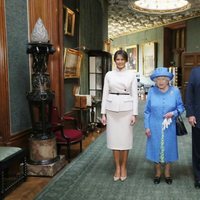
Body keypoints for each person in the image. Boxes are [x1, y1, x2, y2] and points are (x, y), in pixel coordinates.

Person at [101, 49, 138, 181]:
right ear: (115, 61)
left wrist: (134, 113)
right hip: (111, 110)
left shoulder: (132, 75)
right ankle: (117, 167)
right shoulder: (109, 75)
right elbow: (104, 94)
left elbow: (134, 95)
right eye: (117, 59)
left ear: (126, 60)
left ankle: (124, 166)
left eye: (122, 59)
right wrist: (103, 113)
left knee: (125, 140)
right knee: (114, 140)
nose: (120, 61)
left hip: (127, 110)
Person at [144, 67, 184, 184]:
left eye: (163, 79)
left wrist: (173, 113)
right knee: (156, 147)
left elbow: (181, 107)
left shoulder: (175, 91)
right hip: (154, 125)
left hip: (169, 126)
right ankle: (157, 173)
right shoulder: (151, 91)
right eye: (158, 79)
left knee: (169, 147)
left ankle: (167, 173)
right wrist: (147, 126)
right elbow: (147, 111)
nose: (160, 81)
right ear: (155, 81)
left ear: (168, 80)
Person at [185, 67, 200, 188]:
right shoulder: (195, 72)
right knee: (198, 150)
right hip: (198, 117)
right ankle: (198, 176)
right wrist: (190, 114)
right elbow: (189, 93)